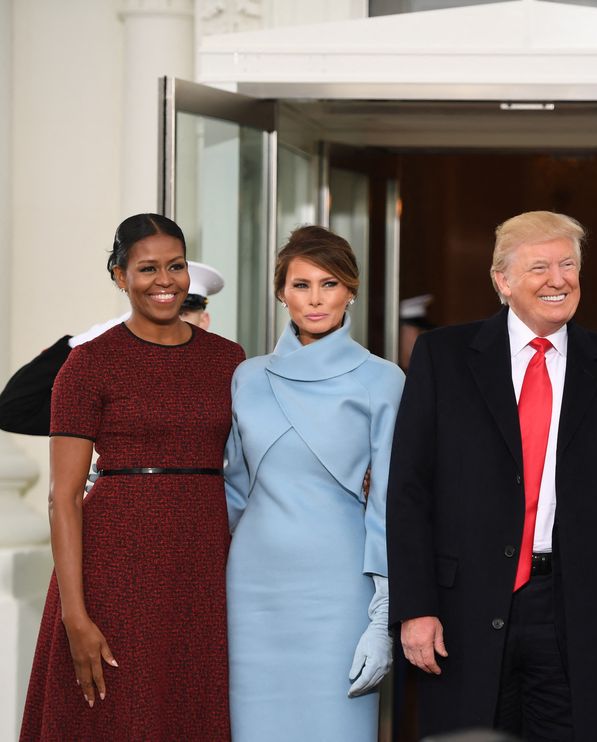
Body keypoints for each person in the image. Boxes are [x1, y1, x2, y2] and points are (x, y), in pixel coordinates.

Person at [387, 210, 597, 741]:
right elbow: (409, 492)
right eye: (539, 267)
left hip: (583, 610)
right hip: (462, 610)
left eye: (568, 265)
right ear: (502, 281)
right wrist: (415, 607)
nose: (558, 279)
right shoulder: (443, 357)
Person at [20, 214, 245, 741]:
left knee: (190, 709)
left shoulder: (229, 360)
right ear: (120, 277)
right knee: (115, 717)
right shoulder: (87, 365)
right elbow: (64, 499)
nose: (164, 280)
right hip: (113, 570)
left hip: (203, 568)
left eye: (176, 266)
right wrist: (76, 617)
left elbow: (259, 457)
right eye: (147, 269)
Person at [224, 225, 404, 741]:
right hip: (252, 589)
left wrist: (383, 617)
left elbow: (388, 505)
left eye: (329, 284)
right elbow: (232, 491)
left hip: (339, 590)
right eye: (301, 285)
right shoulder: (247, 376)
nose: (315, 298)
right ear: (281, 292)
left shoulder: (382, 379)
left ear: (351, 289)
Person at [0, 261, 225, 437]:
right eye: (158, 313)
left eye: (183, 313)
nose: (170, 322)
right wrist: (79, 343)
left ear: (204, 320)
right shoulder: (117, 389)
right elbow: (13, 411)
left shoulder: (225, 373)